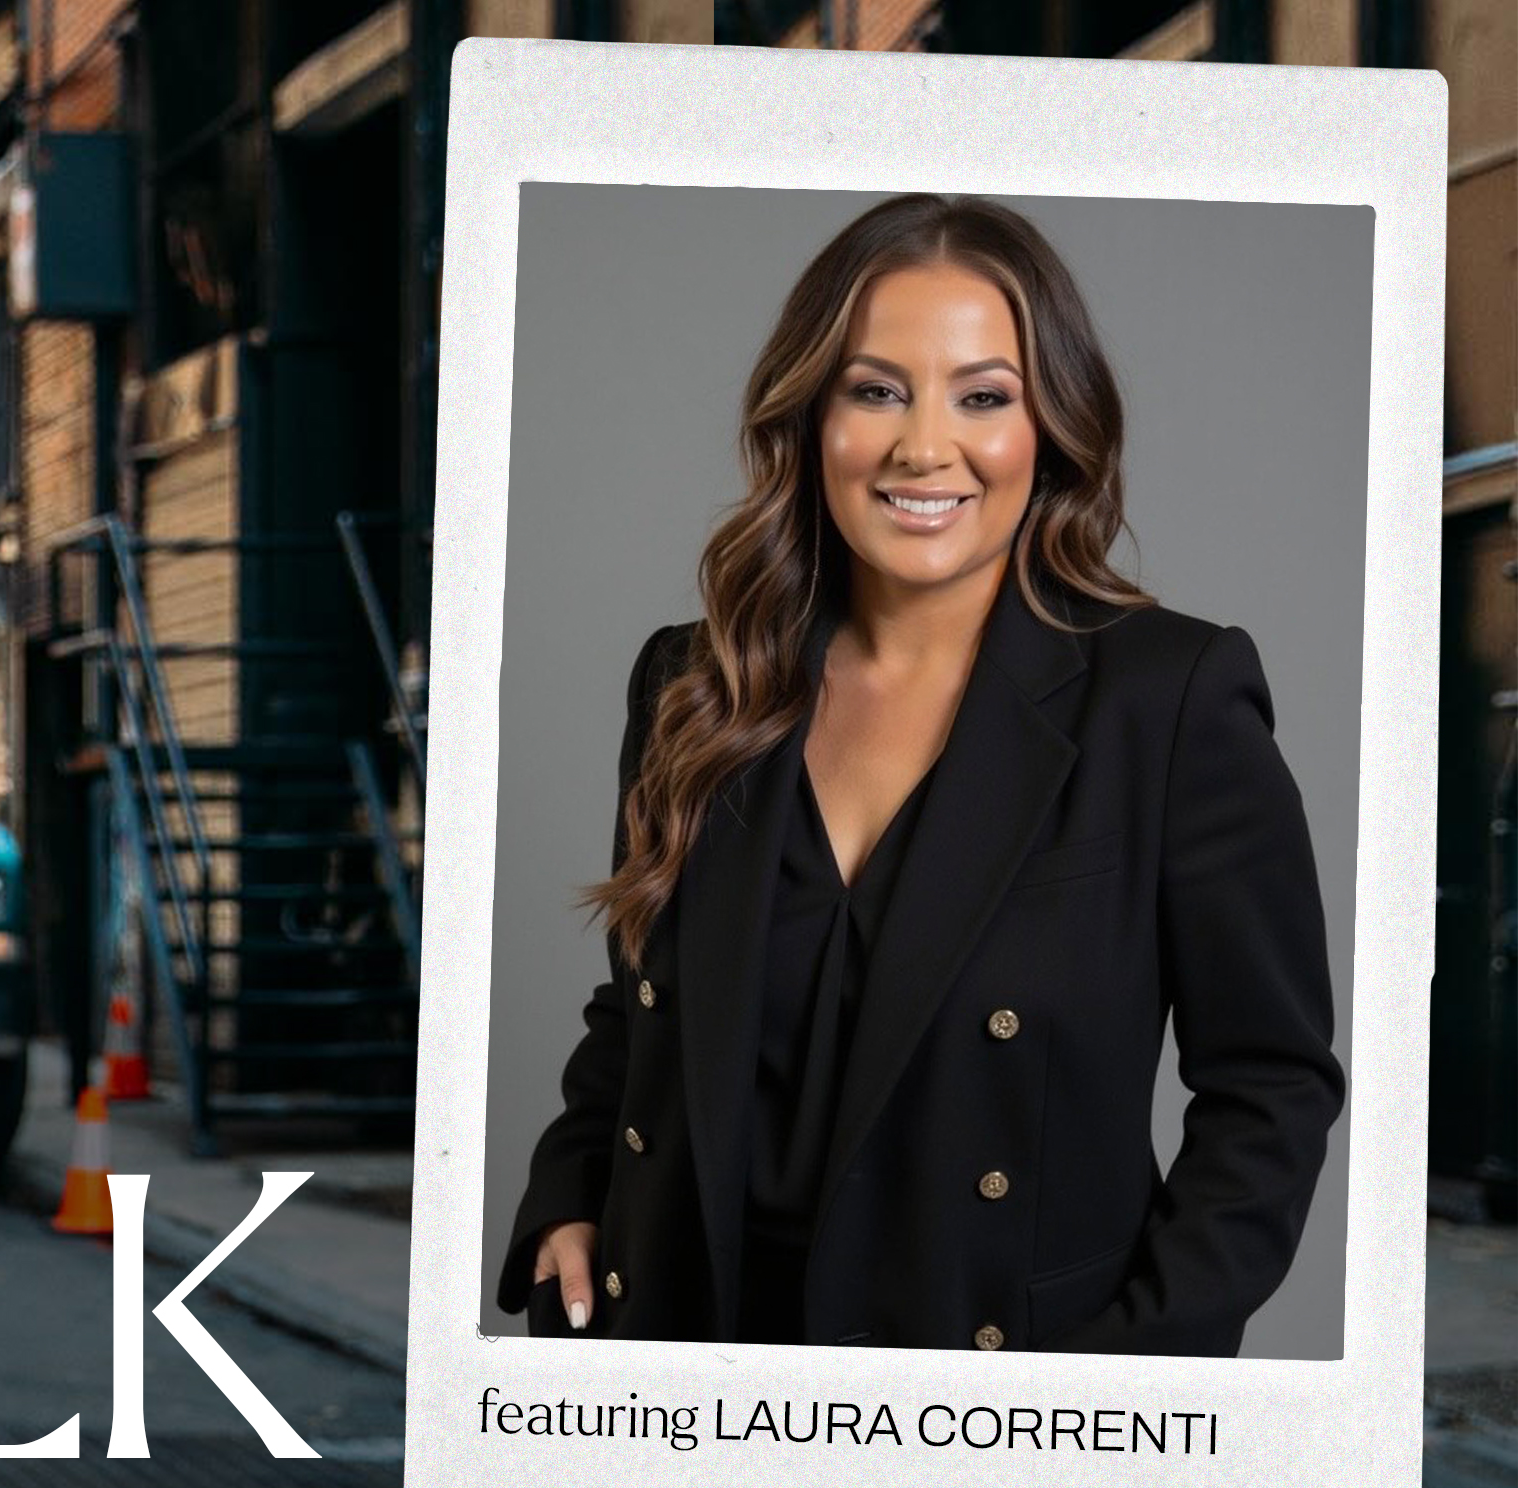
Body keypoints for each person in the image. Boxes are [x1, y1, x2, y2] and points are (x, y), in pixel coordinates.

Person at [499, 194, 1343, 1358]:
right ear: (812, 415)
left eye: (983, 396)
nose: (923, 446)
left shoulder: (1167, 697)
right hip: (690, 1362)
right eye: (877, 390)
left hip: (995, 1390)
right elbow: (642, 1009)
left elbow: (1271, 1084)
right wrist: (568, 1191)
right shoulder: (695, 684)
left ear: (1051, 424)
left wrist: (1124, 1381)